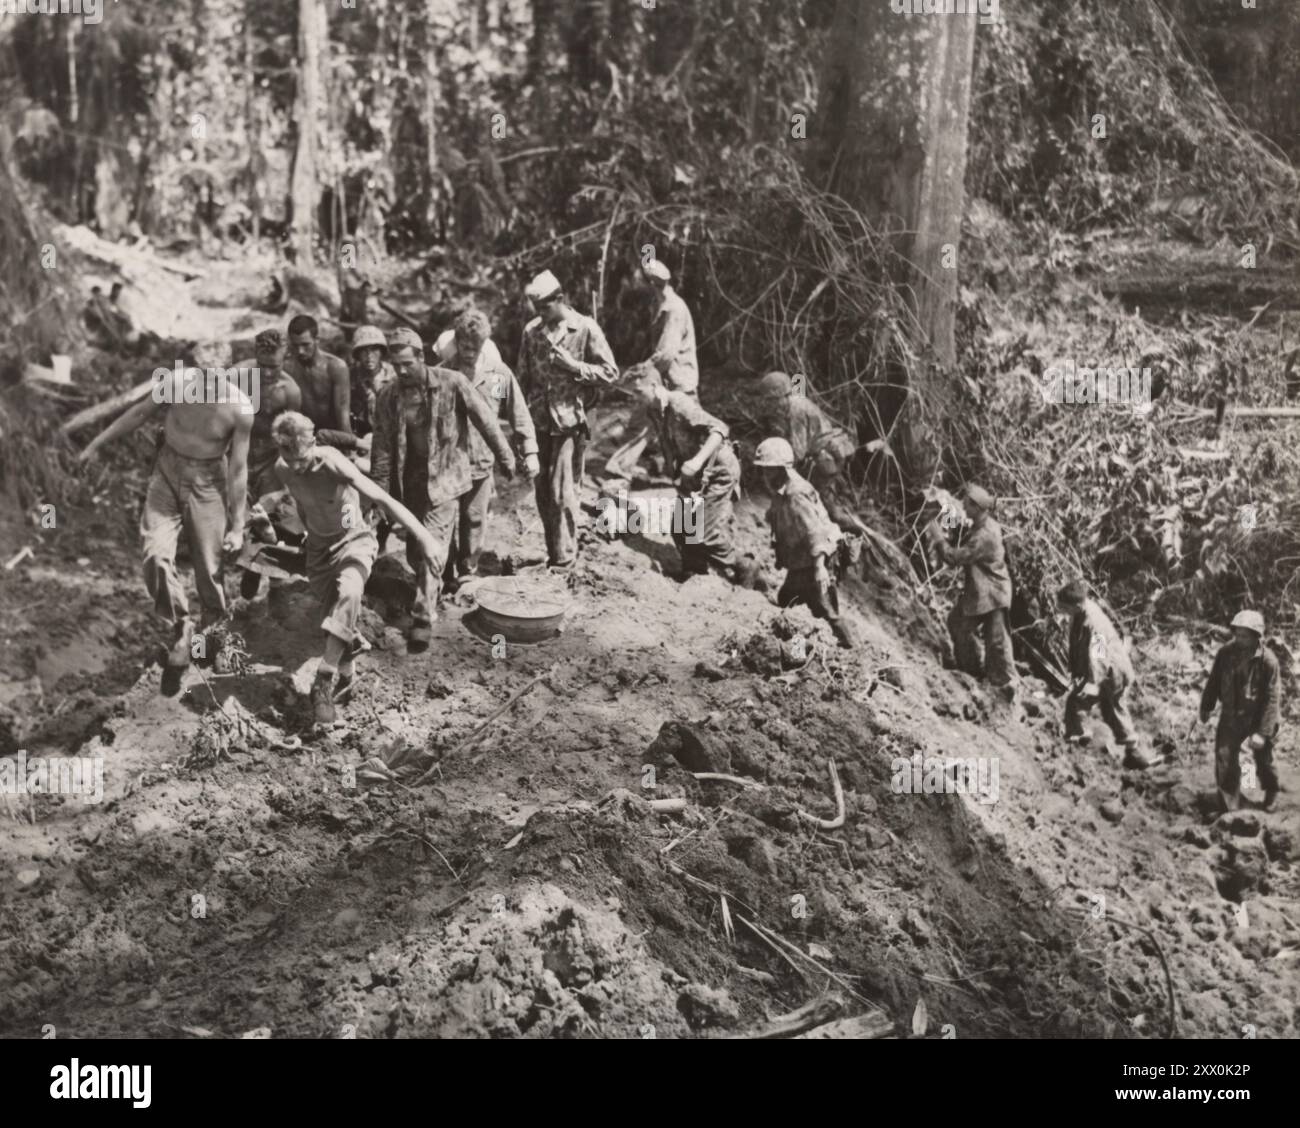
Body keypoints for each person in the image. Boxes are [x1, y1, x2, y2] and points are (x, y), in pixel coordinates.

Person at [78, 346, 253, 687]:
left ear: (228, 372)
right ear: (195, 369)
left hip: (209, 482)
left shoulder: (240, 408)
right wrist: (95, 444)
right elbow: (138, 414)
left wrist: (238, 525)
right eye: (203, 372)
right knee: (155, 554)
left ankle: (210, 639)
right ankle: (183, 625)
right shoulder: (175, 383)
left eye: (216, 374)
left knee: (209, 566)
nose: (208, 380)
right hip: (167, 474)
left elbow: (239, 468)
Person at [269, 412, 440, 725]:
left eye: (301, 457)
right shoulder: (284, 469)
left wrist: (425, 538)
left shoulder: (332, 461)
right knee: (331, 618)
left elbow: (382, 498)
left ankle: (323, 680)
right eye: (288, 457)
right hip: (319, 552)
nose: (296, 465)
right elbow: (305, 505)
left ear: (312, 444)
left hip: (354, 541)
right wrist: (308, 536)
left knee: (349, 593)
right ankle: (348, 674)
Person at [369, 327, 517, 649]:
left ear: (421, 357)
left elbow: (486, 421)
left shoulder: (452, 383)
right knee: (414, 551)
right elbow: (381, 448)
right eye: (396, 366)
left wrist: (506, 458)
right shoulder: (388, 396)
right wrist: (379, 494)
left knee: (431, 545)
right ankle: (434, 583)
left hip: (446, 479)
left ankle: (423, 616)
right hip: (409, 484)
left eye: (408, 363)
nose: (403, 371)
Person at [516, 270, 618, 569]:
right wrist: (519, 426)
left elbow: (611, 374)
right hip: (538, 422)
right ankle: (554, 553)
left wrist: (575, 366)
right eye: (537, 309)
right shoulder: (531, 332)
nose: (541, 314)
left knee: (563, 491)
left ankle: (566, 559)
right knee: (543, 492)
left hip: (569, 422)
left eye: (545, 307)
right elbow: (521, 379)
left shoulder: (585, 329)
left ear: (560, 299)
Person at [434, 309, 539, 587]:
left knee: (475, 517)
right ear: (457, 341)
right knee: (444, 519)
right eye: (465, 346)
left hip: (481, 459)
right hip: (448, 460)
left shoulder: (497, 375)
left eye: (475, 347)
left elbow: (517, 412)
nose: (469, 352)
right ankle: (442, 573)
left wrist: (529, 449)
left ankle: (468, 570)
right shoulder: (444, 372)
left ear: (484, 344)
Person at [629, 364, 741, 581]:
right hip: (692, 477)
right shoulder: (654, 411)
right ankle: (694, 572)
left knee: (705, 533)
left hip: (718, 470)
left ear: (653, 386)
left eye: (638, 391)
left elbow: (719, 430)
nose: (635, 397)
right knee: (681, 529)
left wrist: (697, 461)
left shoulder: (679, 403)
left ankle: (741, 566)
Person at [753, 437, 856, 649]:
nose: (764, 475)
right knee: (787, 601)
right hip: (802, 563)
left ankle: (852, 652)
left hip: (817, 561)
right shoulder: (783, 491)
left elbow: (814, 532)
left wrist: (820, 569)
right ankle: (799, 648)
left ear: (782, 468)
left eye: (769, 469)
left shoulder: (795, 494)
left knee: (826, 609)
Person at [603, 259, 699, 484]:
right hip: (669, 380)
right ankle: (624, 466)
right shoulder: (663, 306)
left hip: (679, 382)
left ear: (653, 284)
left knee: (687, 431)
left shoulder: (674, 309)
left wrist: (641, 370)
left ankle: (699, 475)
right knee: (649, 422)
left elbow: (666, 354)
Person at [925, 484, 1014, 694]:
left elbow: (954, 558)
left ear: (976, 507)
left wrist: (938, 538)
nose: (963, 506)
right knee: (958, 624)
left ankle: (1005, 685)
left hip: (994, 593)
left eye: (966, 504)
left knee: (997, 643)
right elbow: (962, 531)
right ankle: (972, 672)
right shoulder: (983, 523)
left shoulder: (985, 536)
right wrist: (946, 518)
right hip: (983, 590)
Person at [756, 370, 865, 536]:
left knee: (824, 508)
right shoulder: (793, 404)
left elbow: (797, 454)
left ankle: (857, 533)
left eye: (771, 401)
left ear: (781, 396)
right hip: (822, 456)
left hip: (825, 459)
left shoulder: (796, 411)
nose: (770, 406)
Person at [1058, 579, 1152, 769]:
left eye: (1063, 606)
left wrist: (1089, 686)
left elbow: (1099, 658)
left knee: (1078, 702)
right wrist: (1076, 674)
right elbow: (1077, 646)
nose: (1060, 608)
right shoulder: (1081, 611)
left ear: (1076, 605)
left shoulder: (1095, 624)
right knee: (1113, 709)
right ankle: (1132, 751)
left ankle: (1078, 746)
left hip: (1113, 670)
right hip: (1105, 668)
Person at [1197, 610, 1281, 811]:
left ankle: (1272, 791)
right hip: (1231, 715)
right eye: (1237, 633)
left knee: (1264, 760)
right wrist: (1206, 706)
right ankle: (1230, 805)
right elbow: (1214, 682)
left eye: (1245, 635)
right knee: (1224, 758)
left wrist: (1262, 733)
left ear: (1256, 636)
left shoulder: (1268, 661)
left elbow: (1272, 699)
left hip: (1258, 718)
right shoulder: (1225, 653)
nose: (1239, 639)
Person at [284, 314, 359, 452]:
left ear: (317, 340)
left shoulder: (336, 367)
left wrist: (349, 451)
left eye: (306, 345)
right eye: (295, 346)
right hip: (302, 439)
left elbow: (343, 416)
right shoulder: (286, 368)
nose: (300, 351)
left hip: (333, 439)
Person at [348, 324, 395, 440]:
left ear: (381, 352)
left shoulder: (393, 374)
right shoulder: (351, 376)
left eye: (374, 350)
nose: (369, 356)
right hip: (360, 433)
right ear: (357, 354)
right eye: (364, 351)